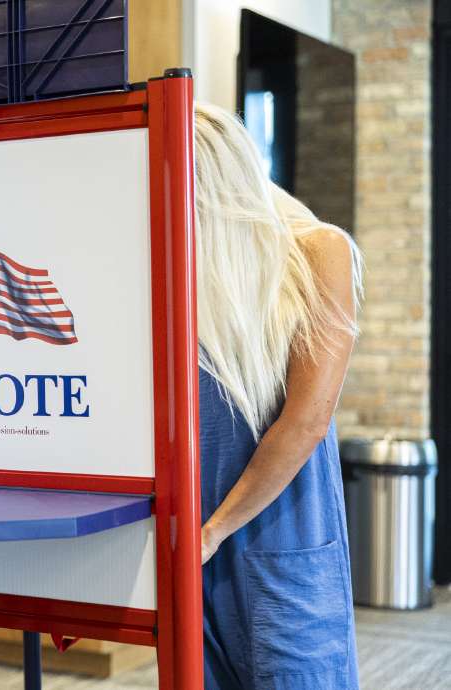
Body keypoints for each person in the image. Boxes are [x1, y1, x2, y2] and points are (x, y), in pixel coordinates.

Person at [194, 103, 364, 689]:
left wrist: (214, 530)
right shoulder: (181, 272)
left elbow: (307, 421)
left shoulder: (319, 253)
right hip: (195, 535)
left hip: (276, 531)